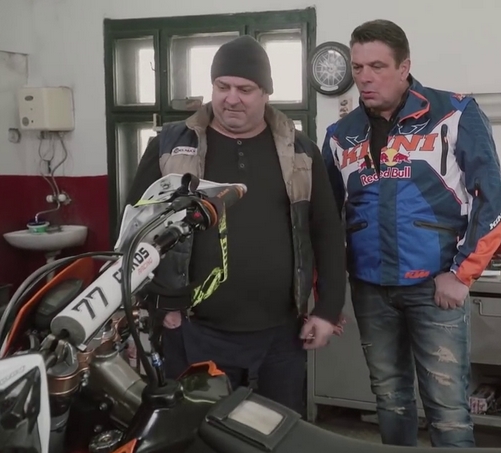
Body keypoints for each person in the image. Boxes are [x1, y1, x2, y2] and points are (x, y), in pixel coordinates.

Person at [125, 35, 347, 416]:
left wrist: (328, 309)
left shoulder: (300, 151)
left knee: (277, 433)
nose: (231, 99)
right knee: (201, 434)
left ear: (266, 93)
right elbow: (134, 233)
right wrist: (150, 308)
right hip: (193, 333)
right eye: (222, 86)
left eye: (245, 89)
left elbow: (326, 231)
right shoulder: (169, 147)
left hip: (281, 338)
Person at [320, 19, 501, 448]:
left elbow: (493, 198)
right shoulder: (339, 135)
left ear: (404, 67)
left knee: (447, 408)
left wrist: (461, 274)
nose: (365, 78)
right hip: (370, 288)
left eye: (377, 66)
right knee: (390, 400)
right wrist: (326, 296)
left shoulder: (454, 114)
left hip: (435, 287)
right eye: (358, 67)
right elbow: (325, 221)